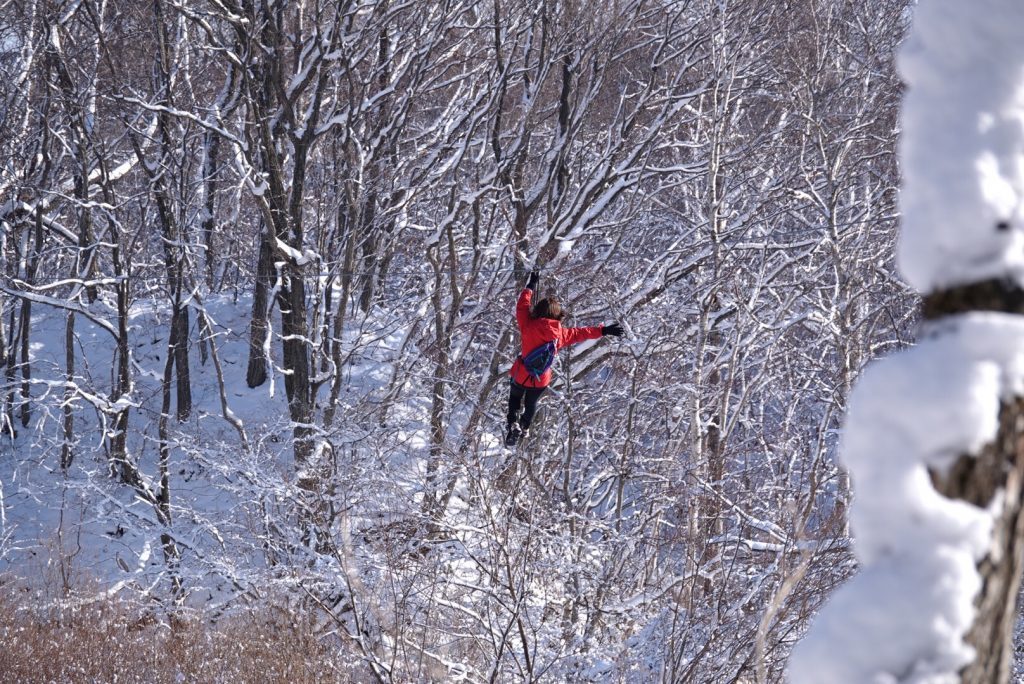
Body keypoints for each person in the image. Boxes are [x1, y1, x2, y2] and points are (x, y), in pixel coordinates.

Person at [505, 269, 624, 447]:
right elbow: (580, 333)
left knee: (515, 398)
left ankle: (512, 424)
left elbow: (521, 306)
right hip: (540, 378)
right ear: (557, 315)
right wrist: (603, 330)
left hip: (522, 373)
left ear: (538, 310)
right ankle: (524, 426)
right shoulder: (559, 334)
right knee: (531, 403)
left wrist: (531, 285)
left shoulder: (528, 324)